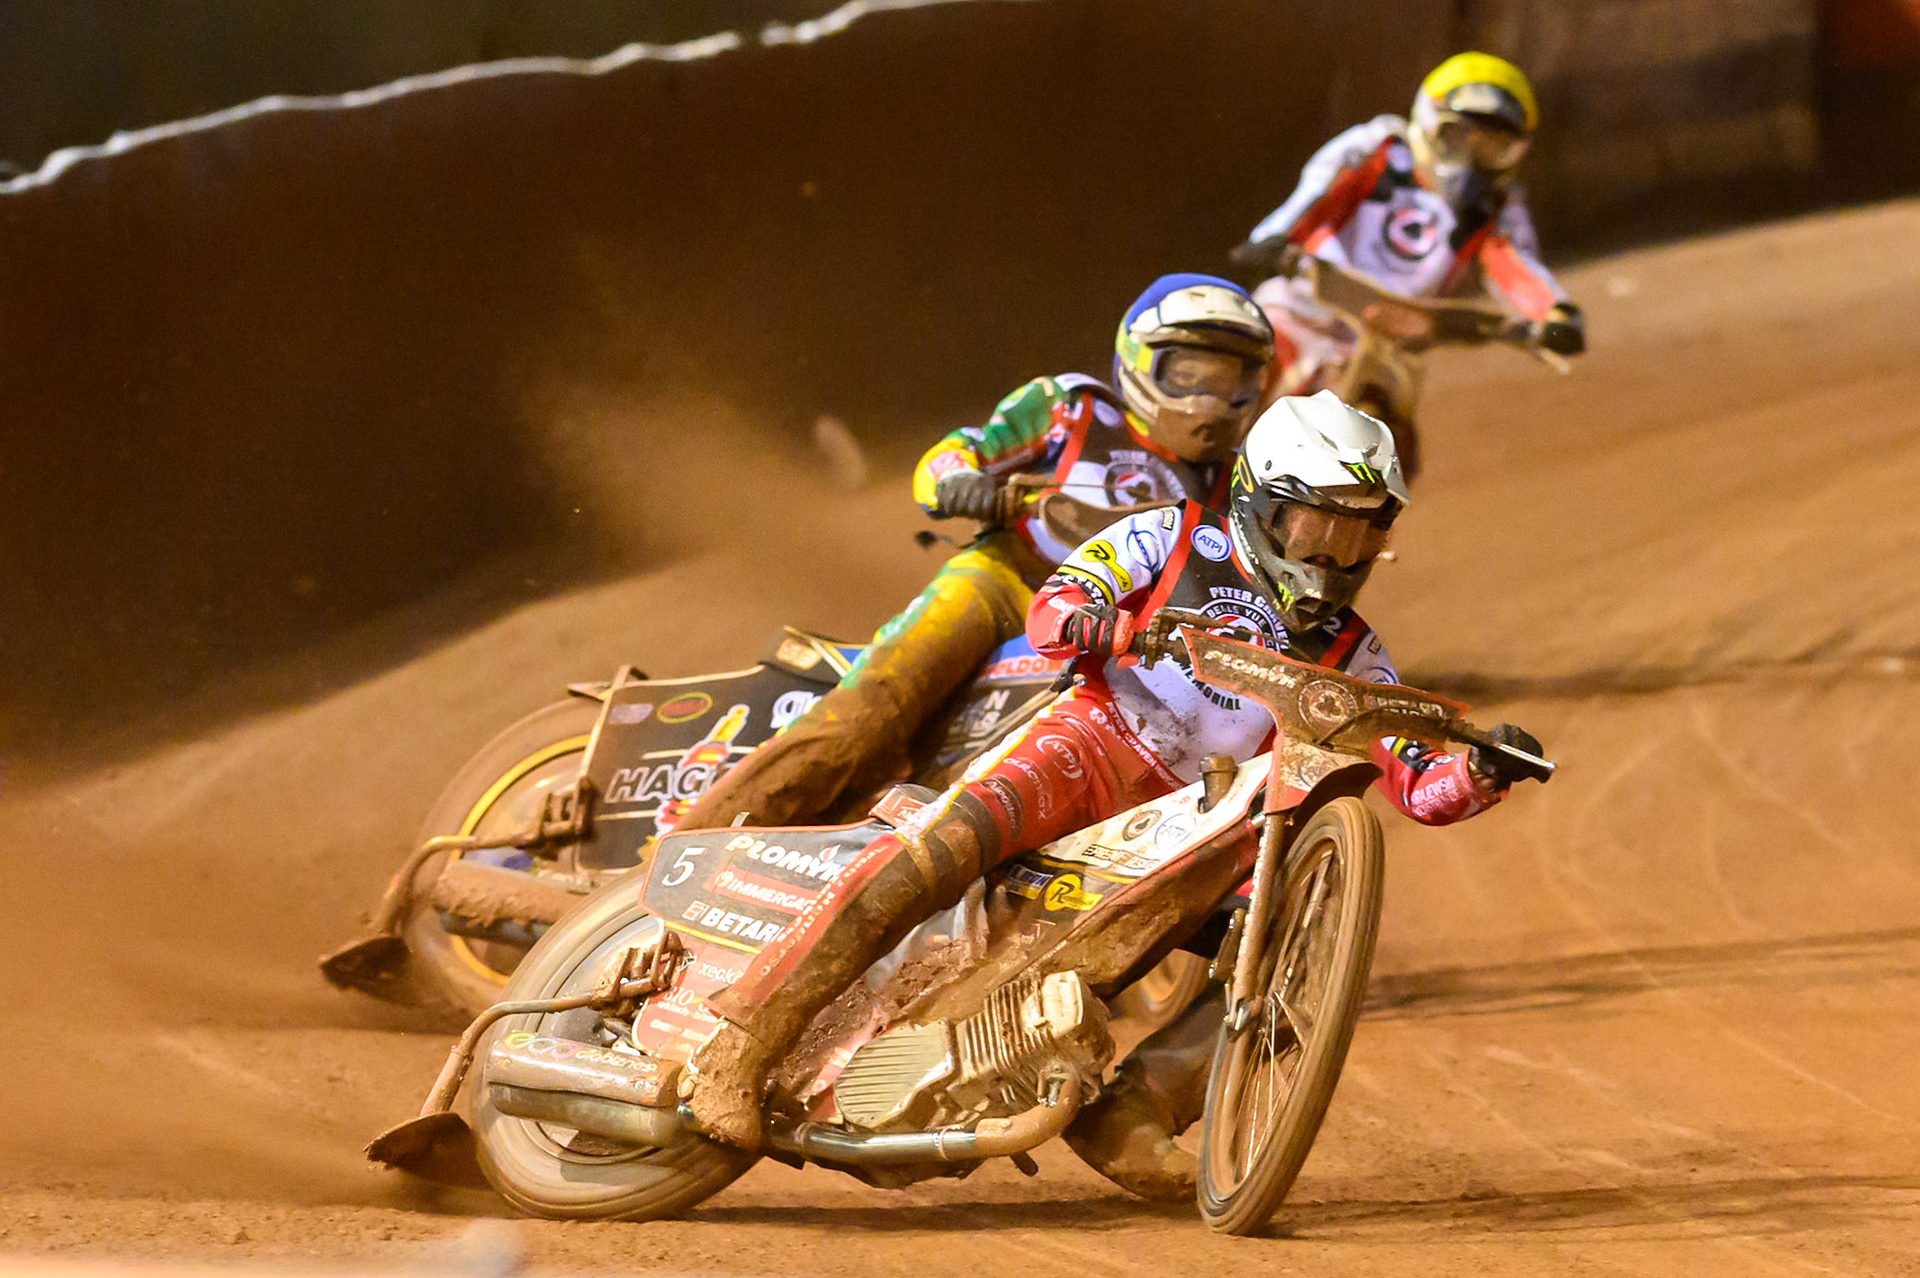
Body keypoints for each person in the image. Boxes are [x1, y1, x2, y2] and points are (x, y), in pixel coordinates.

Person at [684, 390, 1547, 1159]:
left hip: (1194, 821)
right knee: (933, 854)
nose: (1333, 552)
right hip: (1092, 741)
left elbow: (1417, 785)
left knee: (1292, 966)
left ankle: (1131, 1111)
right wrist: (1109, 630)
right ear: (1258, 501)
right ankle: (745, 1040)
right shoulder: (1167, 534)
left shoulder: (1361, 659)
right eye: (1315, 525)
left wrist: (1476, 771)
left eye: (1360, 531)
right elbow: (1053, 608)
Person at [667, 274, 1275, 834]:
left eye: (1231, 381)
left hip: (1121, 630)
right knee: (871, 712)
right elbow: (958, 452)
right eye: (1191, 375)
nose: (1209, 400)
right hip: (1007, 583)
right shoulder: (1074, 407)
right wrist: (961, 482)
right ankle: (685, 848)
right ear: (1140, 361)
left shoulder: (1233, 482)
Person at [1232, 52, 1584, 403]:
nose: (1469, 161)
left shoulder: (1495, 203)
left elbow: (1513, 262)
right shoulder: (1380, 147)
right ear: (1430, 119)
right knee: (1248, 380)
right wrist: (1274, 238)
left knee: (1391, 431)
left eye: (1492, 148)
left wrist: (1553, 311)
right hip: (1304, 305)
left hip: (1386, 339)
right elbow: (1318, 191)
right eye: (1459, 136)